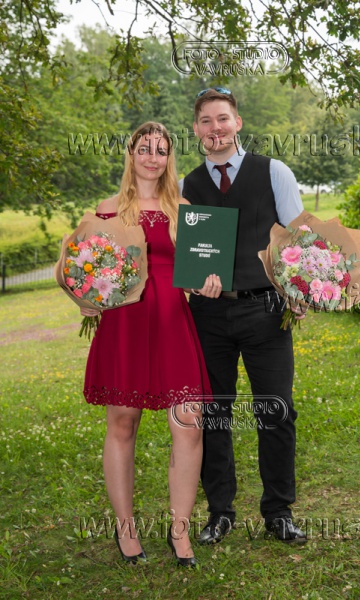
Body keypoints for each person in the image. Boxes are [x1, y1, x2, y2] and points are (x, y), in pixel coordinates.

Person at [81, 121, 222, 567]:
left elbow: (195, 272)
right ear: (131, 153)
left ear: (169, 159)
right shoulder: (107, 210)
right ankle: (125, 530)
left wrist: (206, 283)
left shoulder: (185, 208)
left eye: (161, 150)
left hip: (173, 322)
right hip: (125, 323)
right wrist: (88, 299)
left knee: (190, 422)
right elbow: (89, 269)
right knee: (123, 424)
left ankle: (180, 532)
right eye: (145, 148)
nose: (152, 157)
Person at [181, 88, 307, 544]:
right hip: (208, 316)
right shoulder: (187, 186)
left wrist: (300, 290)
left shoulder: (273, 171)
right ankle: (220, 512)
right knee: (214, 414)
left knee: (276, 410)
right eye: (206, 121)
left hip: (266, 310)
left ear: (238, 123)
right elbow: (184, 256)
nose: (215, 128)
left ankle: (278, 511)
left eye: (223, 118)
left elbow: (299, 240)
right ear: (196, 129)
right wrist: (194, 281)